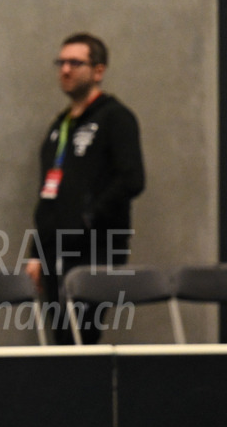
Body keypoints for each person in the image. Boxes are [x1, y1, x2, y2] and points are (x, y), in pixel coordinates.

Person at [24, 33, 145, 345]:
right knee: (62, 339)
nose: (65, 69)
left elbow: (132, 180)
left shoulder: (115, 117)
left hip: (95, 247)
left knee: (82, 335)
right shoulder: (60, 125)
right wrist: (36, 252)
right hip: (54, 249)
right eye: (61, 62)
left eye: (75, 63)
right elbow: (47, 195)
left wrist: (87, 219)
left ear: (98, 70)